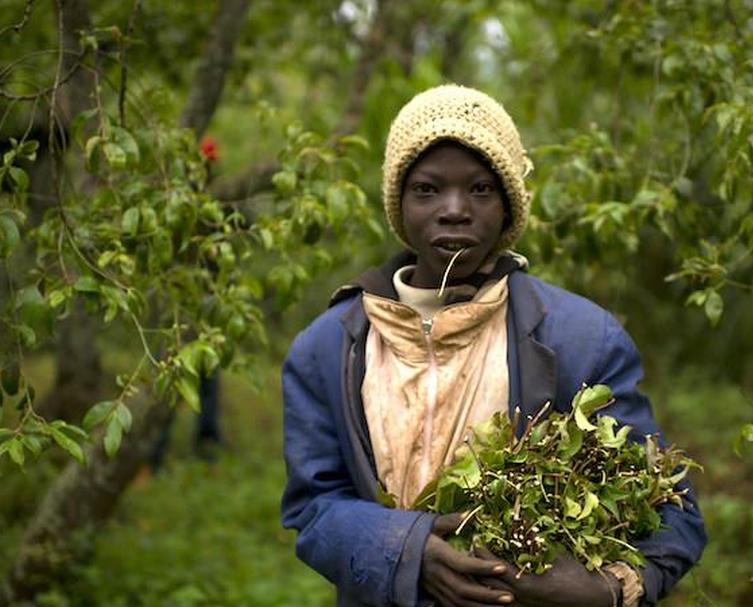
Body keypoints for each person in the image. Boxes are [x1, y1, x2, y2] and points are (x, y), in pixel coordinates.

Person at [281, 84, 706, 607]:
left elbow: (672, 512)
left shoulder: (580, 338)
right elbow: (314, 506)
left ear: (508, 207)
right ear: (399, 205)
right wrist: (407, 552)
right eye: (427, 189)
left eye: (481, 189)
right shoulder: (329, 347)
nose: (455, 209)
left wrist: (609, 590)